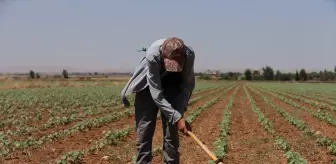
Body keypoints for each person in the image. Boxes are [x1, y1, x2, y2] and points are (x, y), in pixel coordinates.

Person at [121, 37, 195, 164]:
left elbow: (187, 86)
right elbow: (156, 92)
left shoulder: (189, 55)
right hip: (148, 86)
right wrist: (176, 117)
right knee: (144, 130)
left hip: (173, 85)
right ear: (163, 54)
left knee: (171, 134)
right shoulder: (153, 55)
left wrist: (179, 112)